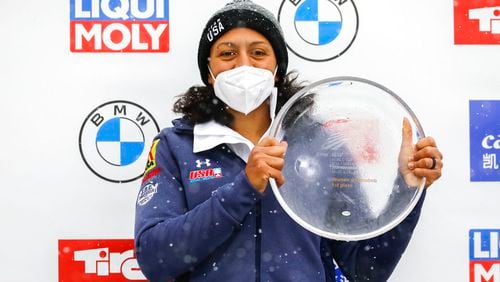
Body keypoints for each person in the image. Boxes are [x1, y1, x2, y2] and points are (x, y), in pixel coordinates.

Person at [134, 1, 443, 281]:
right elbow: (154, 257)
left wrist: (407, 188)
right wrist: (244, 187)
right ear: (210, 71)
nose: (243, 65)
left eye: (258, 52)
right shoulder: (175, 147)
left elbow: (364, 269)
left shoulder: (321, 144)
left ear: (277, 70)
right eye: (227, 53)